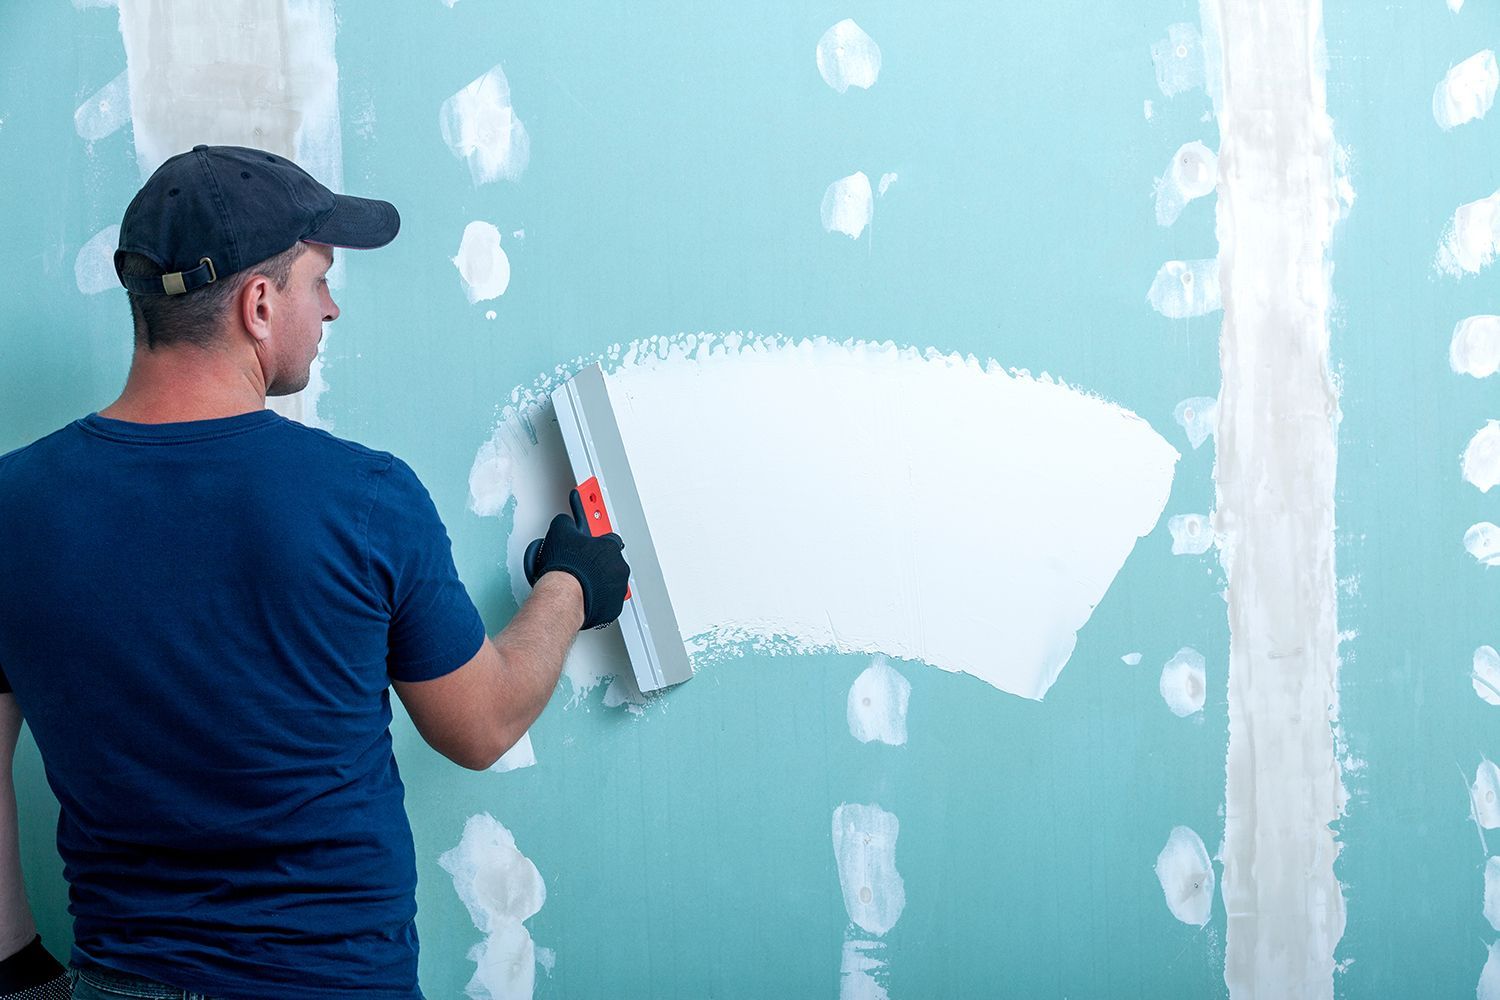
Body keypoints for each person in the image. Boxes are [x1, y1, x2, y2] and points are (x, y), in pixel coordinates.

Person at [0, 145, 630, 999]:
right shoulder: (363, 498)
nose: (330, 309)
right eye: (320, 279)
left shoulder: (12, 505)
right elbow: (480, 726)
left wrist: (14, 969)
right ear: (260, 304)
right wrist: (572, 584)